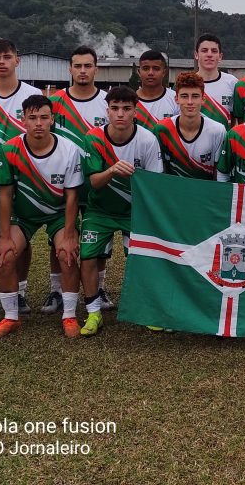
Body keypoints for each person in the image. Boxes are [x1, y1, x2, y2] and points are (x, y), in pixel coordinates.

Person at [0, 95, 83, 339]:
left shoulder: (69, 149)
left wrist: (70, 234)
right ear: (23, 120)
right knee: (5, 256)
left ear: (52, 119)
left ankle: (70, 314)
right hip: (24, 216)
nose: (38, 123)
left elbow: (73, 196)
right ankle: (11, 317)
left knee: (67, 254)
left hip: (58, 214)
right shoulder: (9, 149)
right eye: (32, 118)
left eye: (43, 117)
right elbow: (6, 196)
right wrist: (6, 236)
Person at [80, 86, 163, 336]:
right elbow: (93, 182)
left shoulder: (147, 139)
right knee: (87, 256)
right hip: (99, 210)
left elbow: (154, 184)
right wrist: (112, 170)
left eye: (126, 109)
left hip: (133, 211)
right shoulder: (93, 138)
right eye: (115, 108)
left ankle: (148, 310)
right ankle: (94, 312)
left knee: (141, 258)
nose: (120, 114)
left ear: (135, 112)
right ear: (107, 111)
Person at [0, 38, 41, 314]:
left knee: (20, 239)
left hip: (23, 180)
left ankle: (21, 291)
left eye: (7, 57)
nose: (2, 62)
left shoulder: (33, 93)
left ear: (18, 60)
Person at [44, 45, 110, 315]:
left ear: (96, 68)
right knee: (59, 237)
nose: (82, 71)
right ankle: (56, 290)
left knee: (99, 237)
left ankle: (100, 287)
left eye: (88, 66)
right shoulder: (56, 102)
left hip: (97, 181)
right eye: (77, 66)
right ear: (70, 69)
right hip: (62, 182)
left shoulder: (108, 102)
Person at [154, 71, 225, 179]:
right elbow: (157, 171)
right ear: (176, 99)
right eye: (184, 96)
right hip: (173, 193)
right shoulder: (162, 129)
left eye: (195, 96)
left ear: (203, 99)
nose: (190, 102)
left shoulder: (217, 130)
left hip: (204, 193)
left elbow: (219, 174)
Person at [195, 33, 237, 129]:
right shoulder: (187, 82)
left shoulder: (232, 82)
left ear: (220, 56)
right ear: (196, 55)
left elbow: (236, 118)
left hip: (222, 142)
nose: (209, 54)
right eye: (204, 51)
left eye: (214, 51)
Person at [134, 50, 179, 130]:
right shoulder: (129, 100)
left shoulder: (176, 99)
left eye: (156, 68)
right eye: (146, 68)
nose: (150, 73)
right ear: (138, 72)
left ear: (164, 72)